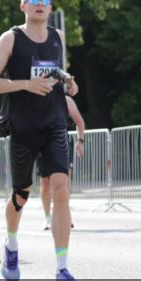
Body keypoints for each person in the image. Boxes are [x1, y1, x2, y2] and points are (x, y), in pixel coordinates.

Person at [0, 0, 83, 281]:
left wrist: (68, 83)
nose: (40, 4)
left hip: (55, 123)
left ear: (50, 7)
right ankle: (11, 246)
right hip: (23, 126)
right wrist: (25, 84)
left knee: (61, 189)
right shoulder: (10, 38)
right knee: (21, 194)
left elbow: (55, 73)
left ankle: (62, 269)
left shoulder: (58, 37)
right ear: (23, 5)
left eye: (45, 0)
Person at [41, 95, 85, 231]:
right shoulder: (37, 96)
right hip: (41, 143)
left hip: (62, 143)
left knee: (64, 182)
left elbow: (79, 121)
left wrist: (80, 141)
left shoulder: (66, 100)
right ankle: (48, 217)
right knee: (45, 183)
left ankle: (64, 214)